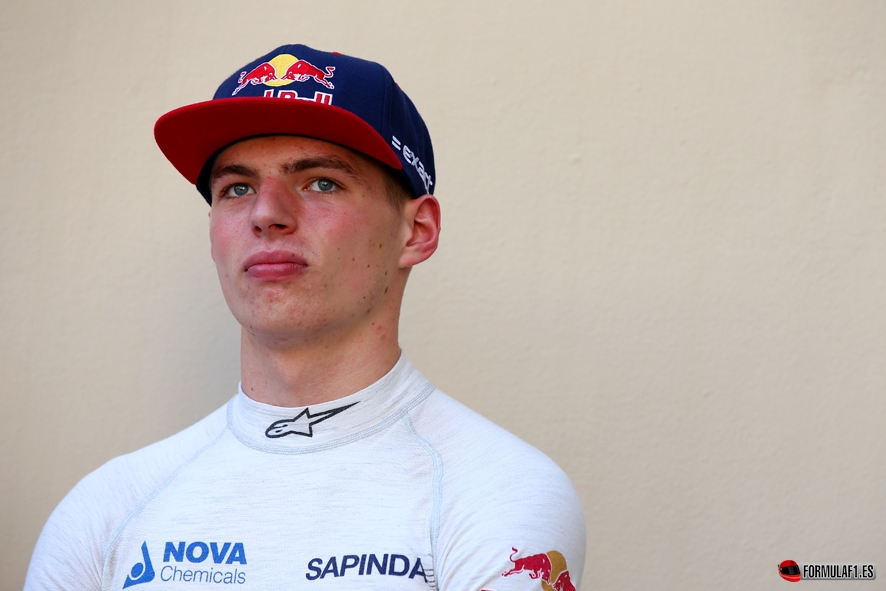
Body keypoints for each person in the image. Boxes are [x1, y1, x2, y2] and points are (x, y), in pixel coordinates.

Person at [24, 44, 586, 591]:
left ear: (416, 232)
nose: (266, 214)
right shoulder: (106, 509)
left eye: (321, 182)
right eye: (237, 188)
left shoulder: (498, 490)